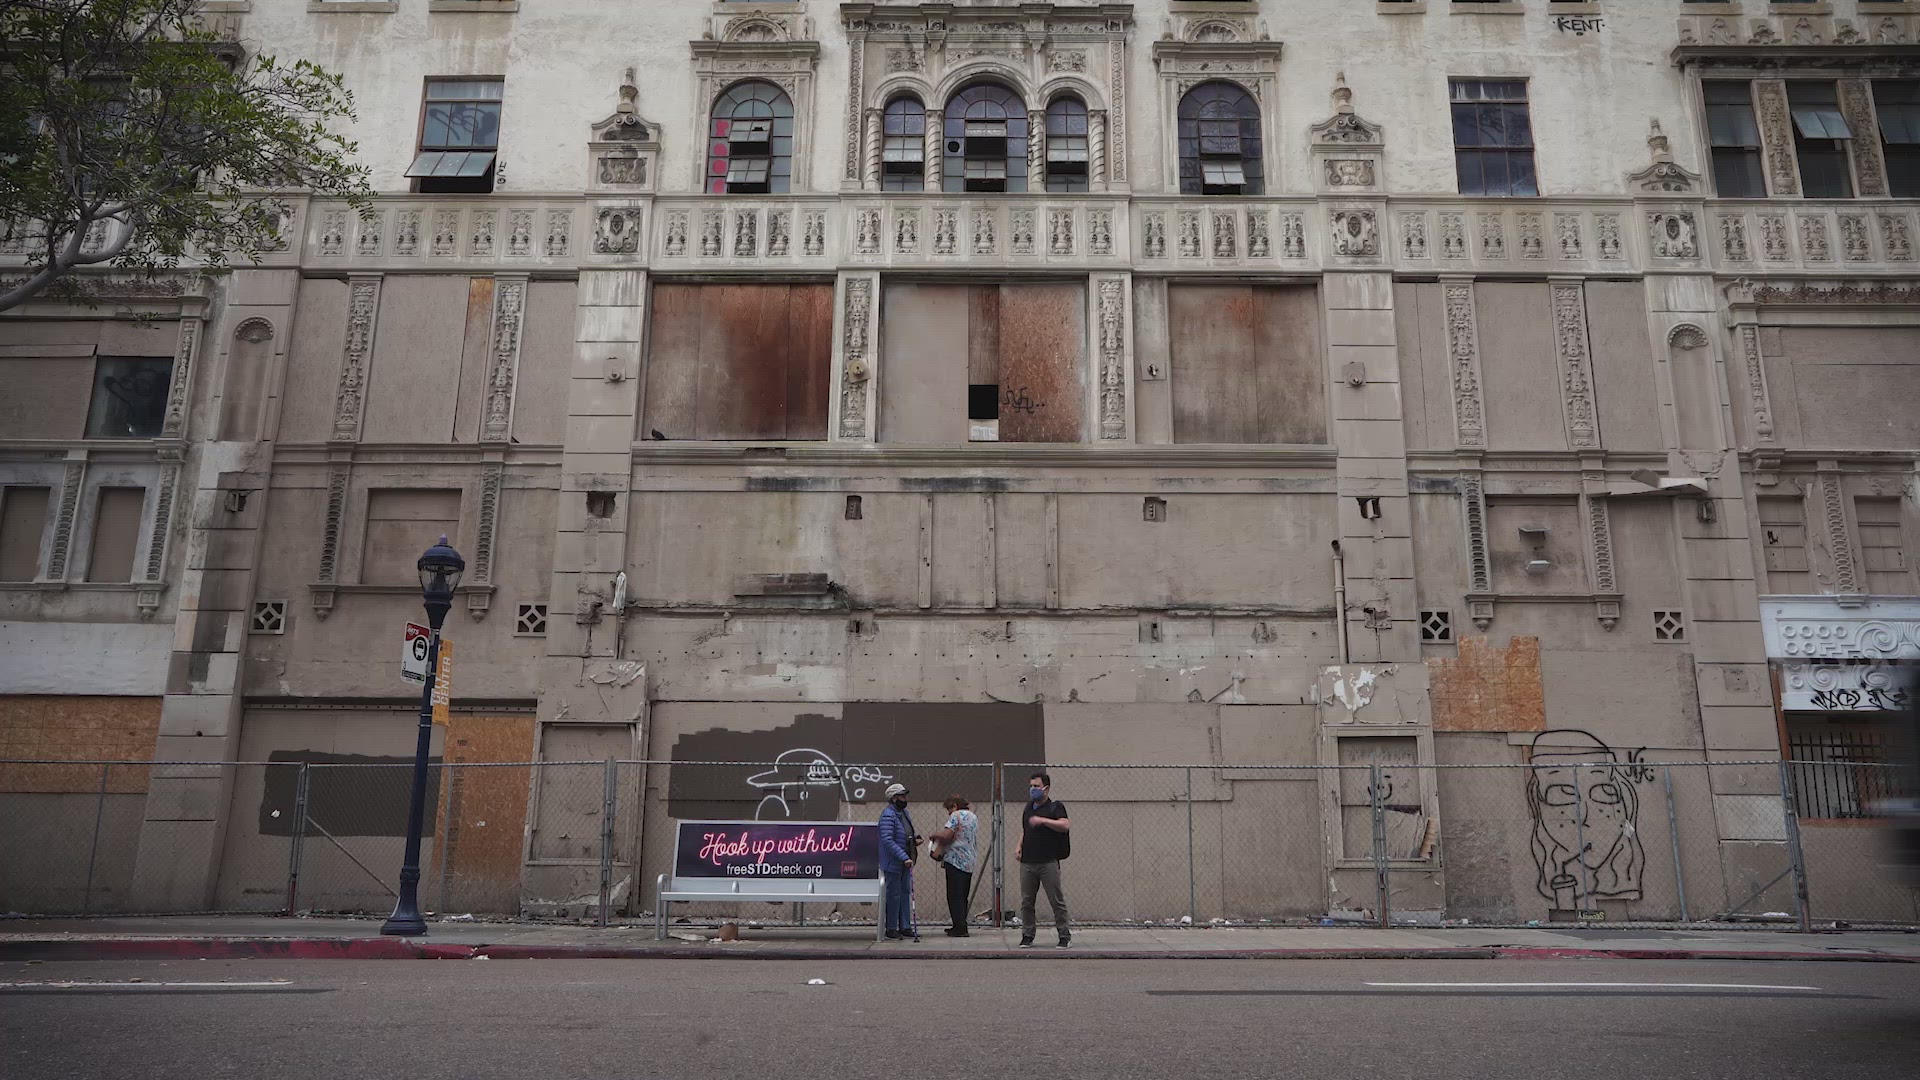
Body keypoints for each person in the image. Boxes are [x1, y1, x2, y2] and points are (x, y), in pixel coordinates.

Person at [1016, 771, 1070, 948]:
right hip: (1028, 862)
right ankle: (1027, 935)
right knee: (1027, 901)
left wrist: (1044, 821)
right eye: (1031, 786)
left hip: (1048, 861)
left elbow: (1064, 825)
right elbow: (1025, 829)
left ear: (1045, 789)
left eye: (1036, 786)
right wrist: (1019, 846)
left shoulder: (1055, 807)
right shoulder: (1028, 808)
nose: (1033, 790)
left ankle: (1064, 935)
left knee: (1056, 900)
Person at [928, 795, 980, 937]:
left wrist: (934, 835)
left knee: (954, 895)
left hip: (955, 860)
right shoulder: (973, 817)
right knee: (963, 895)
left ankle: (959, 927)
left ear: (955, 806)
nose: (948, 813)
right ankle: (961, 924)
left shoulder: (956, 816)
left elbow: (947, 835)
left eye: (949, 809)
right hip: (969, 860)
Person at [877, 782, 921, 941]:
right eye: (902, 796)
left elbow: (906, 833)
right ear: (894, 798)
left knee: (904, 893)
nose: (905, 798)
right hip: (894, 862)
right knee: (893, 895)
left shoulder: (904, 814)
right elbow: (888, 840)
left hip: (906, 860)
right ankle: (891, 927)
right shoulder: (888, 815)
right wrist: (903, 857)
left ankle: (905, 926)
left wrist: (914, 839)